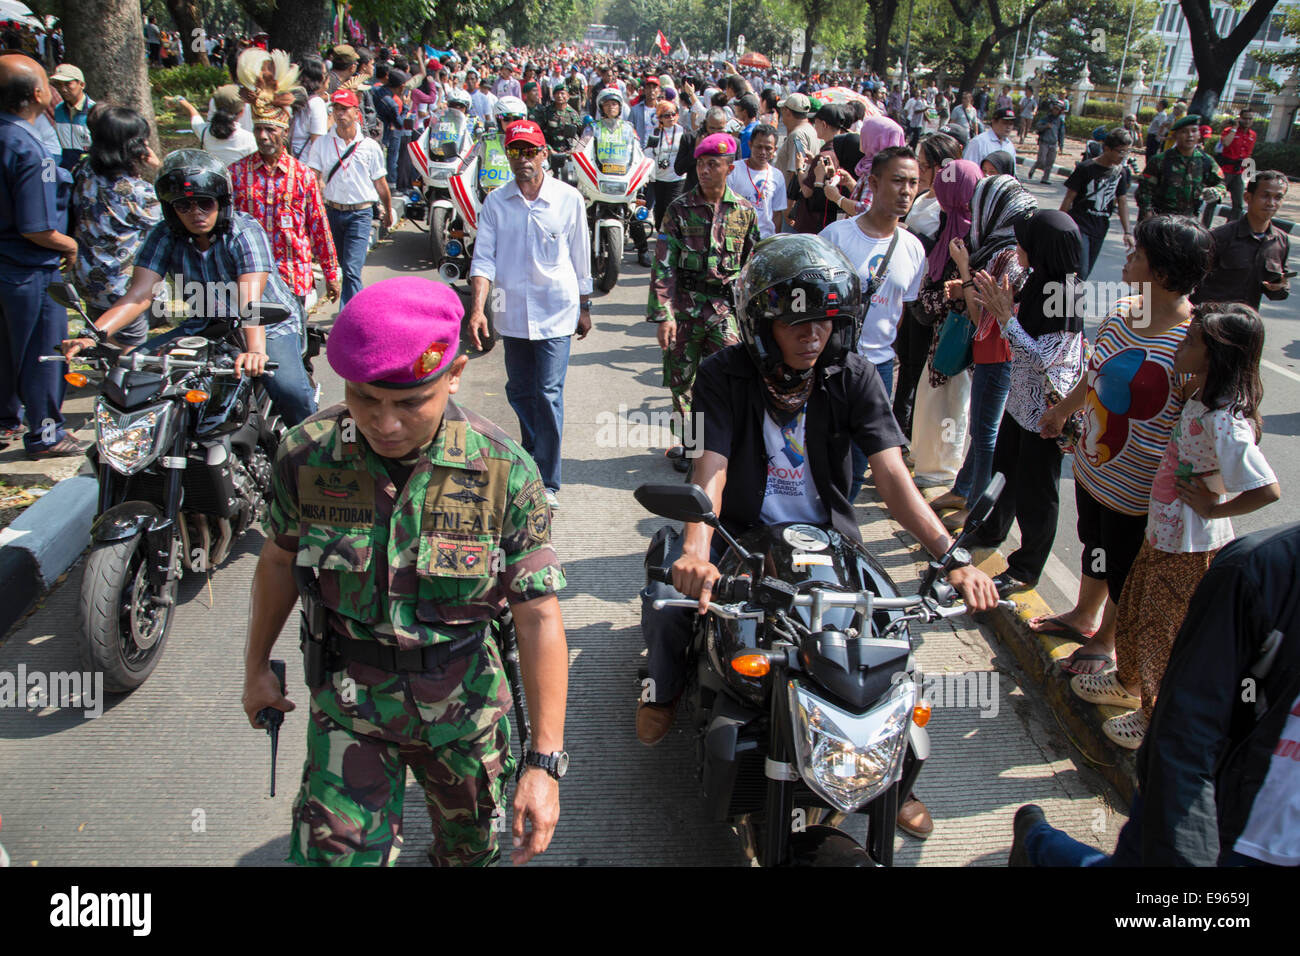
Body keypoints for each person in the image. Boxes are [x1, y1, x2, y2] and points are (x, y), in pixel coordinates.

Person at [637, 233, 1000, 840]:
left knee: (887, 643)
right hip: (743, 535)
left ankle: (891, 775)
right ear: (761, 324)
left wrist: (953, 554)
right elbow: (712, 466)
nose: (814, 334)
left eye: (826, 321)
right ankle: (664, 687)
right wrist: (699, 551)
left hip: (830, 539)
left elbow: (890, 473)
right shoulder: (721, 374)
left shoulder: (852, 374)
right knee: (673, 599)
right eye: (796, 321)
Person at [241, 276, 570, 867]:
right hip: (350, 707)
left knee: (468, 854)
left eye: (410, 402)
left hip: (464, 713)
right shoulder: (307, 454)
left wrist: (543, 763)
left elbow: (539, 617)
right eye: (366, 399)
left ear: (454, 374)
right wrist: (256, 667)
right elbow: (278, 561)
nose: (384, 423)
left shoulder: (505, 474)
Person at [1010, 521, 1300, 867]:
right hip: (1217, 827)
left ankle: (1037, 844)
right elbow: (1184, 731)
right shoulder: (1259, 572)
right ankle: (1038, 844)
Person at [1069, 304, 1279, 750]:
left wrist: (1213, 507)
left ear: (1215, 357)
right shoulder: (1199, 395)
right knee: (1137, 608)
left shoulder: (1224, 419)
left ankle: (1155, 718)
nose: (1178, 346)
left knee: (1162, 633)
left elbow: (1267, 489)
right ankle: (1128, 682)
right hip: (1162, 532)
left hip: (1187, 545)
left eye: (1189, 342)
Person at [1038, 216, 1213, 675]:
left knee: (1123, 566)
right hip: (1094, 464)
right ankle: (1082, 614)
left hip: (1139, 490)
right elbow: (1095, 371)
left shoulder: (1193, 343)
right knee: (1092, 543)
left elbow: (1207, 423)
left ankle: (1107, 639)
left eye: (1137, 255)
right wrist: (1063, 412)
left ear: (1162, 274)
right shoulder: (1123, 310)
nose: (1126, 258)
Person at [61, 149, 316, 427]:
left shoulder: (244, 232)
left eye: (205, 203)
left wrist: (255, 350)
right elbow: (140, 294)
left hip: (267, 324)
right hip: (207, 324)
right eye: (184, 205)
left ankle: (313, 452)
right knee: (131, 372)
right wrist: (93, 334)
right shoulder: (163, 235)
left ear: (221, 203)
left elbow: (249, 301)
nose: (196, 213)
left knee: (289, 391)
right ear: (172, 209)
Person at [960, 211, 1087, 599]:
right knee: (1005, 473)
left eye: (1023, 242)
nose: (1018, 249)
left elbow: (1042, 358)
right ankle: (990, 530)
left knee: (1037, 492)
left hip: (1046, 411)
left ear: (1042, 248)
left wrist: (1004, 318)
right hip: (1021, 401)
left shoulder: (1065, 295)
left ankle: (1026, 568)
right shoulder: (1039, 280)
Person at [466, 120, 591, 508]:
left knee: (548, 392)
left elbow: (580, 254)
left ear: (544, 154)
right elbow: (483, 258)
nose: (523, 159)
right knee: (520, 391)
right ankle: (531, 458)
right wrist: (477, 310)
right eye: (515, 151)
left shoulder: (568, 199)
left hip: (557, 309)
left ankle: (548, 482)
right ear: (507, 156)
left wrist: (586, 306)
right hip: (511, 311)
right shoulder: (496, 203)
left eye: (530, 151)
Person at [819, 146, 928, 501]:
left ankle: (839, 531)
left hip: (878, 370)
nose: (906, 191)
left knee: (860, 462)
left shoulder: (913, 249)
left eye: (913, 182)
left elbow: (905, 311)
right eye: (898, 181)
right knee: (818, 452)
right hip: (829, 363)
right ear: (874, 183)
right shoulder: (836, 236)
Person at [929, 175, 1037, 531]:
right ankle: (963, 489)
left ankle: (976, 508)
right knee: (981, 431)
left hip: (997, 356)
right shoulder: (1004, 250)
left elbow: (982, 319)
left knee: (985, 434)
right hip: (994, 354)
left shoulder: (1009, 258)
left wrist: (963, 268)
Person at [647, 133, 760, 470]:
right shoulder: (679, 209)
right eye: (700, 163)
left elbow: (753, 265)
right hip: (685, 306)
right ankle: (690, 444)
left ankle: (720, 443)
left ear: (729, 167)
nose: (705, 170)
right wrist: (663, 315)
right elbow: (663, 263)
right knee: (681, 379)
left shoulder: (744, 211)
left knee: (728, 378)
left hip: (724, 310)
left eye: (713, 164)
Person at [0, 52, 81, 456]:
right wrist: (69, 244)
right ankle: (46, 434)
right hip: (29, 268)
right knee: (44, 353)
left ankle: (5, 421)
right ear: (37, 93)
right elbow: (36, 228)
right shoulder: (27, 148)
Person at [910, 159, 982, 489]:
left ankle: (941, 472)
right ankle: (929, 464)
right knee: (934, 404)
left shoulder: (974, 240)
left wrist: (948, 295)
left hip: (961, 343)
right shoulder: (949, 228)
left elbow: (968, 295)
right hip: (944, 336)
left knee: (953, 407)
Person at [230, 97, 340, 311]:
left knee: (292, 340)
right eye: (258, 129)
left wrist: (331, 273)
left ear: (285, 132)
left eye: (270, 130)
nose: (263, 136)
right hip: (248, 277)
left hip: (292, 277)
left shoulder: (302, 176)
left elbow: (319, 226)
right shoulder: (236, 173)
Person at [70, 106, 162, 349]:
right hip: (123, 290)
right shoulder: (138, 193)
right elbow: (175, 214)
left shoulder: (83, 172)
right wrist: (158, 167)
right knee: (130, 352)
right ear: (134, 147)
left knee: (104, 340)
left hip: (87, 279)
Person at [892, 133, 963, 443]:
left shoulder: (948, 208)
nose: (918, 173)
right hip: (910, 288)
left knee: (914, 366)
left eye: (923, 165)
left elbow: (943, 251)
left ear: (941, 167)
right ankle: (898, 426)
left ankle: (904, 432)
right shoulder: (924, 197)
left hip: (929, 296)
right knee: (905, 360)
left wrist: (910, 235)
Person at [305, 89, 393, 307]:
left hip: (360, 215)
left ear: (356, 113)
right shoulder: (322, 144)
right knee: (342, 266)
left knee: (352, 270)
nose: (340, 113)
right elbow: (311, 181)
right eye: (336, 108)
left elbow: (381, 184)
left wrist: (388, 211)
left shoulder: (370, 147)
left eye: (345, 109)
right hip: (332, 214)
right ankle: (356, 311)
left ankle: (351, 318)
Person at [1191, 170, 1291, 313]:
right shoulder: (1220, 237)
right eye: (1265, 196)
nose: (1271, 203)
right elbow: (1190, 280)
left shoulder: (1280, 241)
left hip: (1244, 324)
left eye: (1278, 197)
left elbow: (1278, 290)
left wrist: (1279, 287)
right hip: (1210, 321)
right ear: (1247, 197)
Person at [580, 89, 651, 266]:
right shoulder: (593, 127)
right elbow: (582, 146)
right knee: (581, 212)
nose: (611, 107)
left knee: (634, 213)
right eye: (607, 103)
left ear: (620, 107)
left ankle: (642, 251)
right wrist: (575, 154)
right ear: (601, 107)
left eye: (614, 103)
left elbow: (637, 151)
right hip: (599, 176)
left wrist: (643, 170)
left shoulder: (628, 129)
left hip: (622, 176)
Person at [1060, 127, 1135, 280]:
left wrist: (1127, 232)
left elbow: (1122, 202)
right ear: (1107, 148)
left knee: (1083, 274)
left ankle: (1066, 300)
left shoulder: (1121, 173)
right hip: (1079, 225)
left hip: (1100, 228)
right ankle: (1069, 302)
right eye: (1120, 151)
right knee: (1080, 271)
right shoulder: (1085, 168)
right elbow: (1068, 199)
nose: (1123, 156)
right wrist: (1059, 226)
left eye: (1126, 152)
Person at [1136, 114, 1224, 221]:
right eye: (1184, 131)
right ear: (1175, 136)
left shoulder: (1205, 161)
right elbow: (1144, 192)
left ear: (1199, 135)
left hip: (1189, 221)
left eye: (1194, 131)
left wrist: (1216, 192)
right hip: (1160, 219)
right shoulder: (1160, 160)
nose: (1190, 135)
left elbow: (1221, 183)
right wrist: (1148, 217)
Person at [172, 86, 257, 168]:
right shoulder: (250, 140)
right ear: (242, 112)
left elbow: (193, 113)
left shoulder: (204, 132)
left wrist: (180, 99)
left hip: (214, 181)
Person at [725, 123, 783, 239]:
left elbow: (777, 214)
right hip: (737, 238)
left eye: (768, 148)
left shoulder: (777, 176)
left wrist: (774, 240)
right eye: (759, 147)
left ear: (775, 149)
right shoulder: (733, 170)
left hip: (764, 240)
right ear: (750, 145)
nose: (763, 152)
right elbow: (724, 206)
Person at [646, 101, 688, 233]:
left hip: (677, 177)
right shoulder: (655, 133)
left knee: (672, 206)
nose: (670, 118)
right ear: (660, 118)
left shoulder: (683, 132)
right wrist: (647, 175)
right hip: (659, 177)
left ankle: (671, 234)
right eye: (666, 115)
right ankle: (660, 232)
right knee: (660, 209)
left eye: (673, 114)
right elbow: (648, 153)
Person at [1209, 110, 1256, 224]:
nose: (1248, 121)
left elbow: (1249, 154)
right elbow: (1226, 143)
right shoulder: (1229, 131)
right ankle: (1205, 226)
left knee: (1238, 204)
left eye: (1250, 119)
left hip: (1239, 171)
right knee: (1214, 200)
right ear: (1239, 119)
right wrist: (1234, 128)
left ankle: (1230, 227)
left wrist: (1248, 172)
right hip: (1225, 170)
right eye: (1245, 118)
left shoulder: (1252, 135)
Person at [49, 63, 93, 172]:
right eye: (59, 85)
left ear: (81, 85)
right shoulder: (58, 110)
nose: (63, 89)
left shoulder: (94, 111)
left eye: (68, 84)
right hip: (66, 169)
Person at [289, 56, 329, 161]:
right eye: (324, 74)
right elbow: (318, 142)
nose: (326, 78)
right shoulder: (316, 103)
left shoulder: (290, 99)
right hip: (305, 165)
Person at [963, 107, 1017, 177]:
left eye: (1011, 124)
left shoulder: (1009, 146)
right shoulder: (979, 142)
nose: (1008, 127)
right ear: (994, 122)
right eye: (1005, 123)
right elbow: (969, 170)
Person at [1025, 99, 1064, 184]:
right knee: (1041, 160)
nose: (1055, 111)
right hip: (1044, 142)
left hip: (1053, 143)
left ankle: (1045, 178)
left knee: (1050, 161)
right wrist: (1046, 126)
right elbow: (1038, 126)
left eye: (1057, 109)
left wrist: (1061, 144)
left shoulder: (1060, 121)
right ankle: (1033, 168)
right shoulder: (1046, 118)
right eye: (1054, 108)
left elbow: (1061, 133)